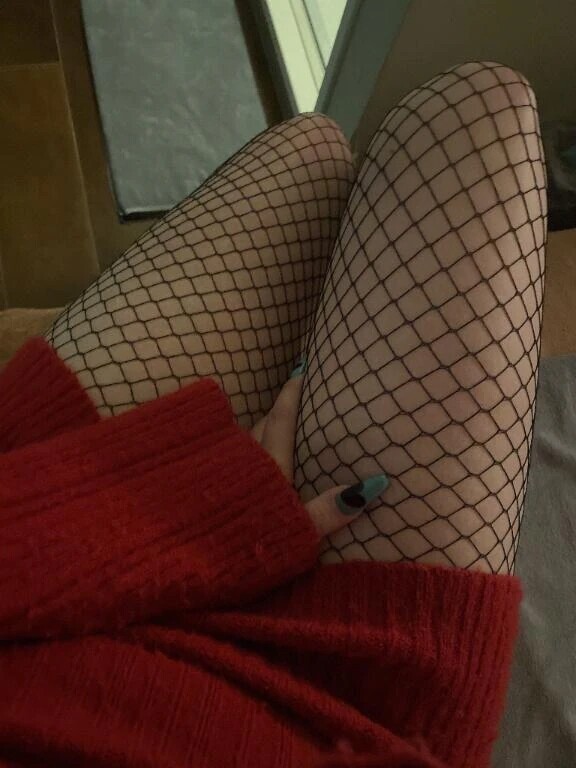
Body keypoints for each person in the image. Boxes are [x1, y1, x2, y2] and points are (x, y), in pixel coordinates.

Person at [0, 61, 546, 767]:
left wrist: (189, 506)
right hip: (331, 713)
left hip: (43, 536)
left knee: (320, 149)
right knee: (482, 117)